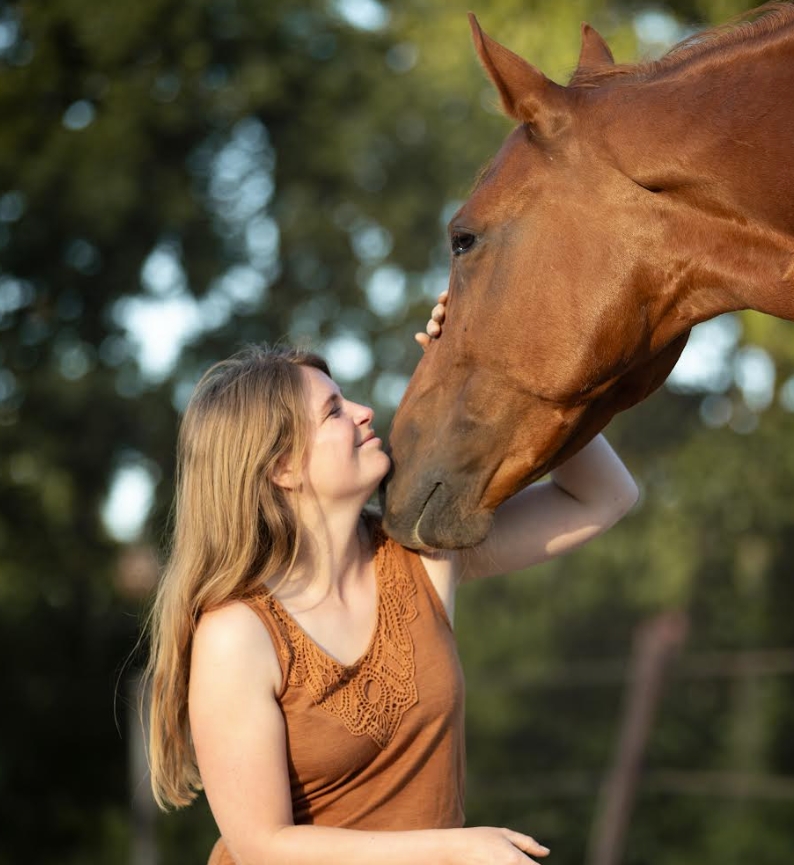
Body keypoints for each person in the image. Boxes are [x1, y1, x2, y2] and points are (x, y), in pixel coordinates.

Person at [144, 293, 639, 865]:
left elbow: (603, 497)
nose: (362, 411)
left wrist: (499, 365)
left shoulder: (420, 550)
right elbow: (262, 845)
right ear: (280, 466)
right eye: (333, 411)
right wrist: (455, 850)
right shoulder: (238, 633)